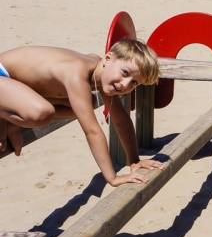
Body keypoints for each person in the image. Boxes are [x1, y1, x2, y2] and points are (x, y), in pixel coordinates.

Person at [0, 39, 163, 187]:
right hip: (3, 73)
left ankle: (12, 116)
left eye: (134, 82)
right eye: (125, 73)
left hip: (14, 83)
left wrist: (134, 161)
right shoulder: (77, 74)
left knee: (90, 102)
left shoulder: (100, 69)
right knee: (41, 114)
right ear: (108, 58)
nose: (125, 84)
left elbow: (120, 119)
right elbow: (92, 131)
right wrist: (112, 178)